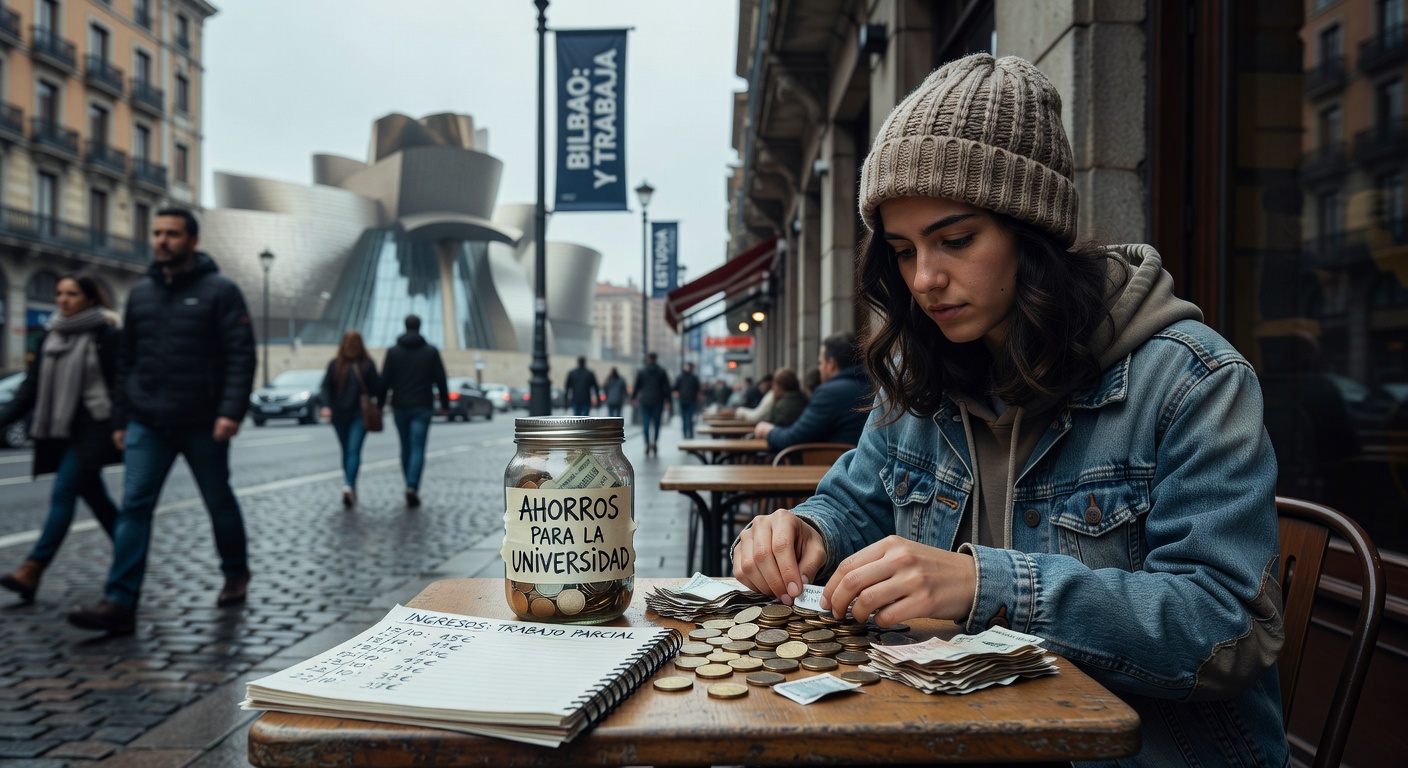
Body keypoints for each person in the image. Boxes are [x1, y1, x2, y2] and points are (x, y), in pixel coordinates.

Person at [732, 54, 1286, 766]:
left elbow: (1225, 632)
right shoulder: (923, 377)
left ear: (1032, 230)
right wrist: (803, 531)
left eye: (956, 240)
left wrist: (987, 586)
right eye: (902, 251)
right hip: (961, 732)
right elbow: (853, 506)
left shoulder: (1191, 381)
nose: (926, 279)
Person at [68, 208, 257, 634]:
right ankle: (119, 602)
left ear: (191, 240)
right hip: (146, 420)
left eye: (171, 234)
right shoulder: (141, 293)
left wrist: (230, 412)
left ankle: (235, 571)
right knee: (135, 506)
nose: (161, 241)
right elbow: (126, 362)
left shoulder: (221, 291)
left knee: (217, 499)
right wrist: (121, 418)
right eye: (156, 233)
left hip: (203, 421)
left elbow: (240, 355)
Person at [0, 275, 122, 603]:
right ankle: (130, 552)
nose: (62, 300)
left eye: (71, 294)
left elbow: (121, 385)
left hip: (95, 427)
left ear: (90, 299)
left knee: (64, 492)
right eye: (58, 293)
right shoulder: (49, 337)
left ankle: (32, 568)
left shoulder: (107, 336)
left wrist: (122, 424)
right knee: (97, 499)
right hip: (60, 429)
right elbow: (31, 388)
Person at [752, 332, 869, 449]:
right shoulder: (874, 389)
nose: (819, 368)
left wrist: (768, 431)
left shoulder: (829, 393)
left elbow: (792, 439)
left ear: (831, 364)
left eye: (820, 363)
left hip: (830, 464)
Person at [377, 315, 449, 508]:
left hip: (400, 406)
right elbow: (441, 379)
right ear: (419, 327)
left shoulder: (393, 352)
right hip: (423, 406)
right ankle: (412, 486)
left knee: (405, 447)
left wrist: (380, 404)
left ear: (405, 326)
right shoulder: (430, 352)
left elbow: (384, 380)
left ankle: (408, 483)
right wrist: (444, 404)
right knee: (418, 447)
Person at [319, 331, 380, 508]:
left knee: (346, 450)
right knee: (353, 451)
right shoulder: (367, 364)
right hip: (359, 414)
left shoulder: (335, 364)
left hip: (338, 414)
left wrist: (326, 406)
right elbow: (376, 389)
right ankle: (349, 485)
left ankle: (349, 484)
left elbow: (325, 388)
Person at [632, 352, 671, 457]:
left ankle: (647, 443)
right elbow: (666, 387)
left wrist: (633, 397)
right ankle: (655, 442)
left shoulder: (642, 371)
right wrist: (668, 400)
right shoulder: (662, 371)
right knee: (657, 423)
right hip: (658, 400)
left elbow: (637, 386)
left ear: (648, 359)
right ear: (656, 359)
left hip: (645, 400)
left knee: (646, 423)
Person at [673, 362, 702, 438]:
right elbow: (675, 388)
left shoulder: (693, 377)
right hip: (683, 400)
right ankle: (685, 433)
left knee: (689, 418)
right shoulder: (680, 377)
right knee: (684, 419)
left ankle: (690, 434)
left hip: (691, 401)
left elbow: (698, 389)